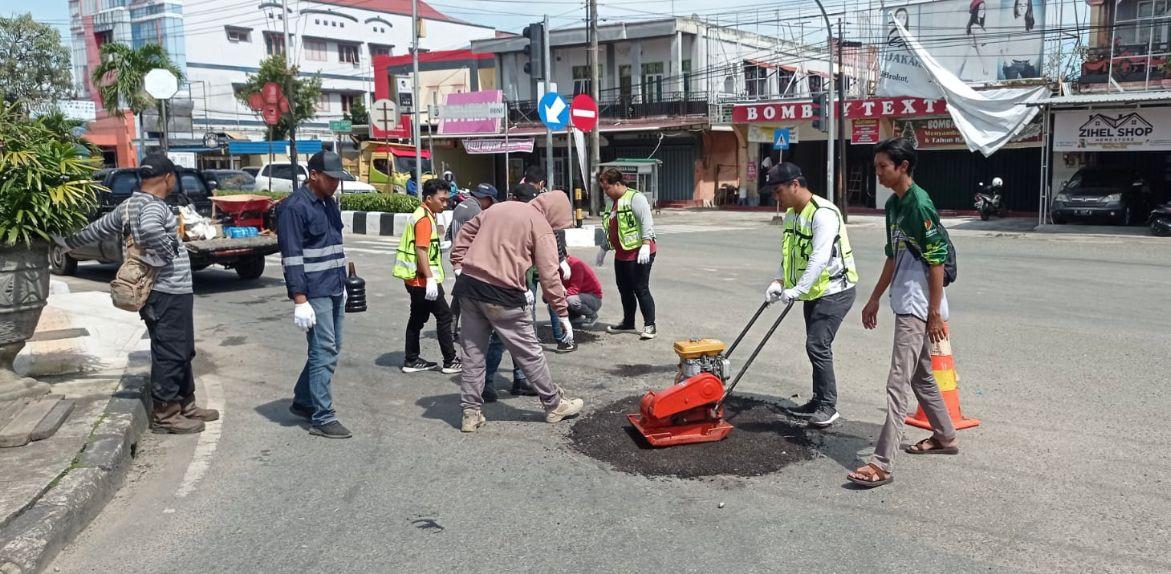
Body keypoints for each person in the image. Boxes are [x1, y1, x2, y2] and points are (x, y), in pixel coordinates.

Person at [60, 154, 216, 434]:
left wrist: (65, 244)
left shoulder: (129, 205)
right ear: (168, 178)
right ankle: (166, 414)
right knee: (171, 351)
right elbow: (151, 230)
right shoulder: (154, 207)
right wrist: (168, 250)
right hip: (166, 291)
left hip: (164, 292)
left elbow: (96, 229)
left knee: (181, 349)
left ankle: (185, 403)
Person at [848, 138, 958, 488]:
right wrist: (874, 298)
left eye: (883, 166)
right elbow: (893, 256)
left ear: (903, 167)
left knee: (898, 382)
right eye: (876, 166)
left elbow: (937, 260)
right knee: (920, 375)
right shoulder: (895, 206)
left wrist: (935, 313)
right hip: (904, 298)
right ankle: (945, 435)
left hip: (918, 305)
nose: (877, 173)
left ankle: (881, 463)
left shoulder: (919, 204)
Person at [449, 190, 583, 433]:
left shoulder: (499, 208)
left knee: (472, 353)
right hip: (503, 295)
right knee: (529, 352)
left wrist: (458, 261)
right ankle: (553, 404)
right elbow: (549, 275)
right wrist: (562, 313)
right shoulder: (540, 224)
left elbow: (466, 231)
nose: (555, 227)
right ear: (553, 212)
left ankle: (470, 413)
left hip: (468, 287)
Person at [762, 163, 858, 428]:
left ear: (795, 185)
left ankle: (828, 406)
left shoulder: (823, 213)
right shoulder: (792, 214)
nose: (775, 197)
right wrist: (779, 280)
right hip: (814, 291)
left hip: (835, 291)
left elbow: (819, 257)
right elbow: (789, 252)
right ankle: (819, 400)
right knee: (815, 346)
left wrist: (798, 290)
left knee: (817, 345)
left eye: (778, 190)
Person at [276, 151, 352, 438]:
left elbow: (334, 246)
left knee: (331, 348)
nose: (335, 184)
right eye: (331, 179)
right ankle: (322, 416)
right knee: (323, 351)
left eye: (338, 179)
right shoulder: (294, 208)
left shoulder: (328, 203)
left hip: (333, 286)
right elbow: (292, 257)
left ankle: (304, 399)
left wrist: (343, 283)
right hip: (313, 291)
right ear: (314, 175)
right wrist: (299, 299)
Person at [395, 178, 460, 374]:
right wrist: (430, 279)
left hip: (416, 279)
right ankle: (450, 361)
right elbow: (421, 250)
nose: (445, 203)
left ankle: (411, 359)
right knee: (445, 316)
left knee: (417, 317)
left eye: (447, 200)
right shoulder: (423, 218)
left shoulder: (424, 214)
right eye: (442, 200)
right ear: (429, 198)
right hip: (422, 280)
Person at [595, 168, 658, 340]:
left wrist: (646, 243)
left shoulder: (635, 198)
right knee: (624, 289)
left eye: (607, 188)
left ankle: (650, 325)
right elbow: (612, 228)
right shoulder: (612, 202)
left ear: (617, 184)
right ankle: (628, 323)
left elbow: (646, 221)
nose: (605, 192)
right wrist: (604, 248)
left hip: (640, 252)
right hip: (622, 254)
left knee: (641, 288)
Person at [447, 183, 500, 341]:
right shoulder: (476, 211)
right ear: (485, 198)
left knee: (460, 296)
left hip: (458, 258)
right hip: (468, 260)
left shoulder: (461, 205)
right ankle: (477, 332)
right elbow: (483, 238)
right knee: (474, 299)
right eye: (490, 202)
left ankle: (450, 329)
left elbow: (450, 232)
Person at [562, 255, 603, 327]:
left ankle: (592, 316)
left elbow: (574, 289)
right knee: (554, 299)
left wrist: (556, 294)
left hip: (593, 298)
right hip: (579, 295)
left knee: (570, 300)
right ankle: (574, 316)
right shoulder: (558, 266)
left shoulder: (576, 264)